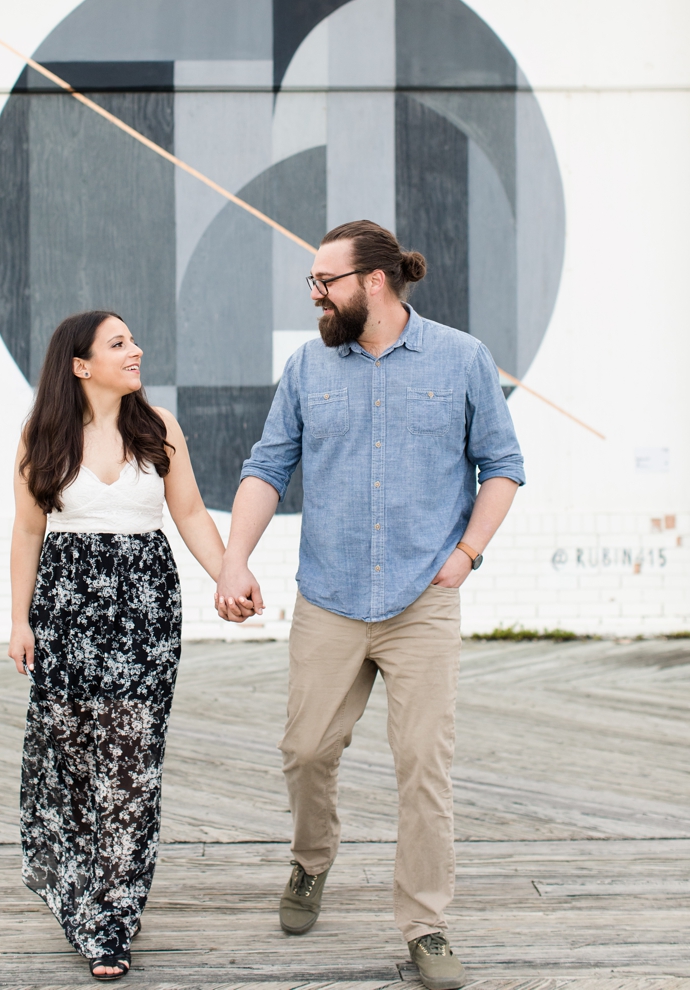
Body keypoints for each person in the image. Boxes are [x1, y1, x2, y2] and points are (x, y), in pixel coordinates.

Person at [215, 220, 525, 990]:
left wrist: (466, 554)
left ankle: (425, 924)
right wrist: (232, 559)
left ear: (375, 282)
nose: (315, 293)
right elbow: (267, 466)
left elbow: (504, 465)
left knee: (424, 764)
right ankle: (311, 863)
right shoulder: (307, 367)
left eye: (326, 281)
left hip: (423, 601)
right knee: (306, 751)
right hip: (329, 598)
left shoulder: (461, 359)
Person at [8, 309, 233, 981]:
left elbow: (189, 512)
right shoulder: (43, 436)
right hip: (67, 607)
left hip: (145, 608)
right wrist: (19, 621)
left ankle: (114, 919)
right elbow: (26, 532)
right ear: (81, 365)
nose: (135, 350)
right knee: (73, 759)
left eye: (131, 340)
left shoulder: (158, 429)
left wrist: (229, 576)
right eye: (118, 343)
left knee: (133, 762)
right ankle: (78, 893)